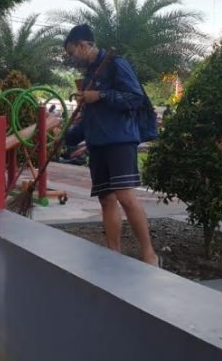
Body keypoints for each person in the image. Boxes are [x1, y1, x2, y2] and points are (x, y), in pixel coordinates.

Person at [64, 24, 159, 267]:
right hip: (98, 143)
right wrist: (67, 137)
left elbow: (135, 98)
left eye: (74, 52)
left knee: (125, 196)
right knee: (106, 199)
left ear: (85, 44)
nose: (74, 58)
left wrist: (102, 95)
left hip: (120, 140)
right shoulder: (89, 75)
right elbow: (91, 118)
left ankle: (149, 254)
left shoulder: (116, 64)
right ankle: (112, 253)